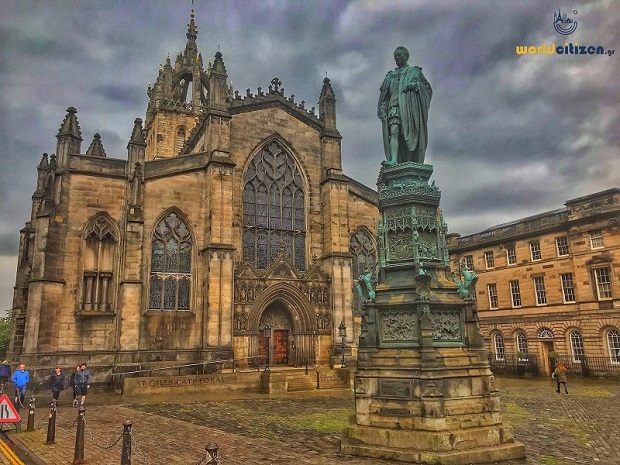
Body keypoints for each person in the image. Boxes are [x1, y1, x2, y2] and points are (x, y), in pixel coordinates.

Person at [378, 46, 432, 166]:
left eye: (399, 55)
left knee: (409, 133)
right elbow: (385, 97)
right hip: (394, 104)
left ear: (406, 56)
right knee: (394, 131)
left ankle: (410, 160)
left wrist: (416, 85)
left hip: (409, 107)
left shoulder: (414, 71)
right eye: (395, 56)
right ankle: (393, 160)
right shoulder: (390, 76)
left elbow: (427, 89)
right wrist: (382, 107)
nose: (397, 57)